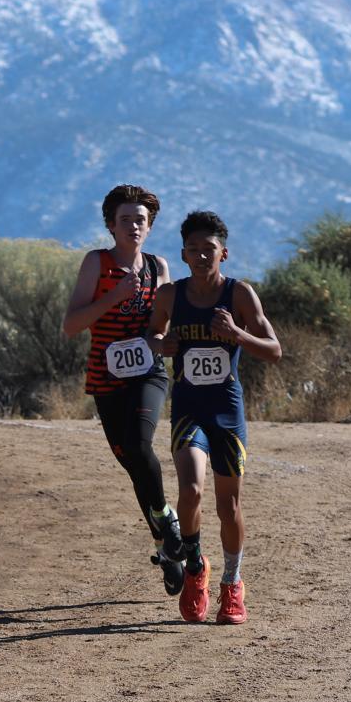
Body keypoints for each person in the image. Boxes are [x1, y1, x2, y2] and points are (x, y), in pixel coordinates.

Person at [148, 211, 281, 624]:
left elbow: (274, 348)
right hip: (189, 409)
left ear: (223, 253)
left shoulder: (239, 295)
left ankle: (233, 584)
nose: (202, 256)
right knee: (190, 492)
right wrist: (162, 345)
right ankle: (194, 569)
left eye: (210, 249)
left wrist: (236, 334)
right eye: (194, 250)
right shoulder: (171, 295)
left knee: (229, 506)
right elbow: (151, 336)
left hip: (227, 410)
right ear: (184, 254)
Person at [61, 184, 185, 593]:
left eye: (141, 220)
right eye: (126, 220)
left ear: (150, 227)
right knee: (134, 465)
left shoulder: (158, 267)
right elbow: (72, 325)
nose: (134, 226)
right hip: (106, 379)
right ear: (111, 226)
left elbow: (161, 328)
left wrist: (161, 340)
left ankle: (169, 522)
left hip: (148, 373)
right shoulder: (96, 264)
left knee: (139, 446)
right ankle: (165, 546)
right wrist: (114, 296)